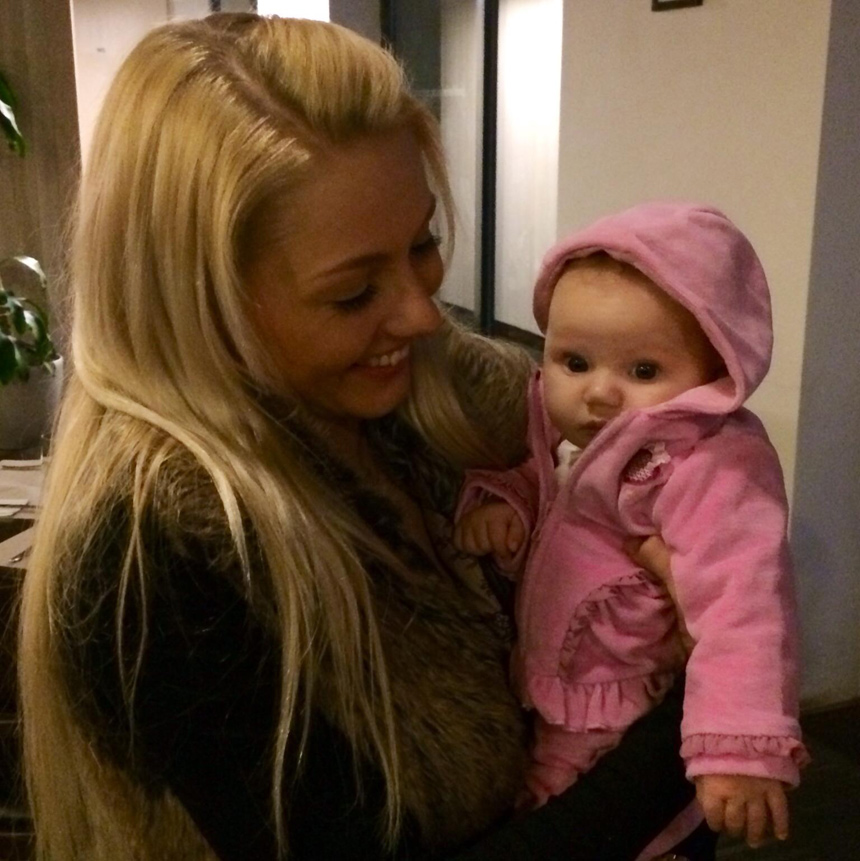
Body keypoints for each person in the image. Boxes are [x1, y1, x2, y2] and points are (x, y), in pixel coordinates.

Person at [20, 15, 702, 861]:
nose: (423, 314)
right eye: (352, 293)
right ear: (200, 302)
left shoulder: (437, 396)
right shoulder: (150, 557)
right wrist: (706, 709)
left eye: (423, 244)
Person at [455, 201, 809, 856]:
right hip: (556, 682)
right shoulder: (564, 426)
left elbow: (745, 601)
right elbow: (546, 480)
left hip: (627, 694)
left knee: (619, 827)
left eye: (643, 371)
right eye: (574, 361)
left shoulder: (710, 462)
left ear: (716, 368)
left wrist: (737, 742)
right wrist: (508, 503)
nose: (598, 392)